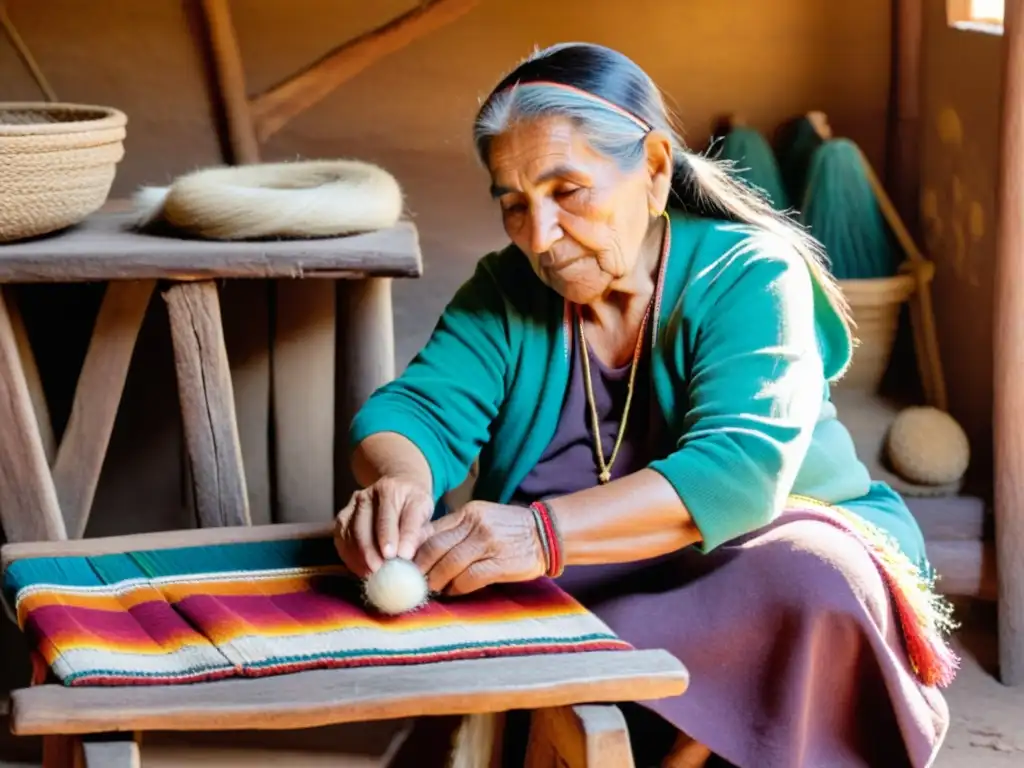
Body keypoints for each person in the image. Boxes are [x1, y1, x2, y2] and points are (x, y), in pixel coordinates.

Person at [334, 42, 952, 768]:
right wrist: (400, 483)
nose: (540, 236)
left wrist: (539, 536)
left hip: (740, 572)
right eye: (514, 205)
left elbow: (739, 468)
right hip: (592, 577)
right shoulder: (507, 293)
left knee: (814, 573)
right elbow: (410, 414)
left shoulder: (750, 273)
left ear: (655, 170)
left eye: (567, 192)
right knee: (480, 581)